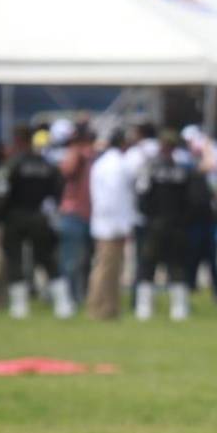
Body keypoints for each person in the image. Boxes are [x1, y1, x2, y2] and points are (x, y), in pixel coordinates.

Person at [0, 124, 70, 320]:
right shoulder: (47, 165)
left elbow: (1, 194)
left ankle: (20, 306)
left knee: (15, 260)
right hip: (40, 217)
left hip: (15, 216)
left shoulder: (13, 164)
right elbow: (58, 192)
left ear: (18, 141)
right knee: (47, 259)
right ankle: (63, 304)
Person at [134, 130, 193, 322]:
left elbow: (142, 197)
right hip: (177, 225)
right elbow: (190, 200)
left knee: (147, 264)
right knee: (176, 265)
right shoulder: (183, 171)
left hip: (155, 224)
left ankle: (144, 308)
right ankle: (179, 309)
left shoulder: (149, 169)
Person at [86, 129, 135, 320]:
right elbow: (115, 198)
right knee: (107, 269)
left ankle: (109, 308)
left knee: (110, 269)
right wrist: (121, 226)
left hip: (106, 223)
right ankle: (100, 308)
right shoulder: (116, 165)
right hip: (112, 226)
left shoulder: (105, 163)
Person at [58, 122, 95, 306]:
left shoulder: (92, 156)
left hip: (88, 215)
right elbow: (67, 171)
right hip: (74, 213)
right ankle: (68, 298)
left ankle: (81, 296)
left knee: (85, 261)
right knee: (71, 261)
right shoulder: (75, 154)